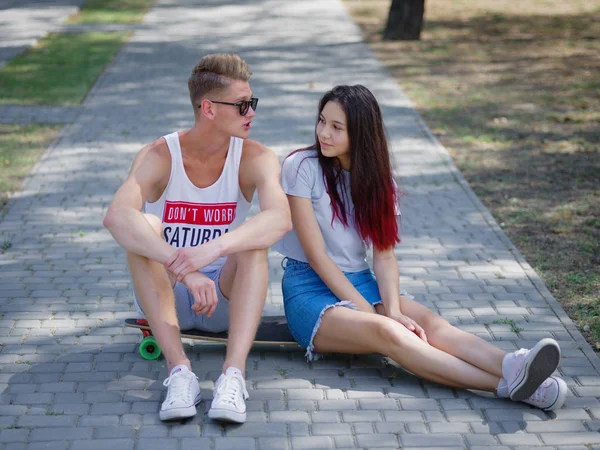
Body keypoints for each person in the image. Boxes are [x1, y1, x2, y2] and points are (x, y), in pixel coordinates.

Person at [275, 84, 567, 411]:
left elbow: (384, 257)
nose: (323, 133)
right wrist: (377, 316)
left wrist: (394, 310)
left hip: (360, 280)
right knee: (392, 335)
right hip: (309, 288)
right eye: (322, 121)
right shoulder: (301, 166)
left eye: (336, 127)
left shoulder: (380, 181)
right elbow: (317, 256)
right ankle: (513, 387)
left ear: (361, 134)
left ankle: (512, 364)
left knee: (430, 324)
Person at [103, 53, 291, 423]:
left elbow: (279, 219)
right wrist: (184, 266)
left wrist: (213, 249)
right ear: (208, 108)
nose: (251, 112)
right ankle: (180, 373)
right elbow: (116, 217)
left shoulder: (256, 157)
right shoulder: (160, 154)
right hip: (166, 295)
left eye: (251, 103)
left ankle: (232, 376)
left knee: (252, 241)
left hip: (224, 298)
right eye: (241, 105)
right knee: (145, 227)